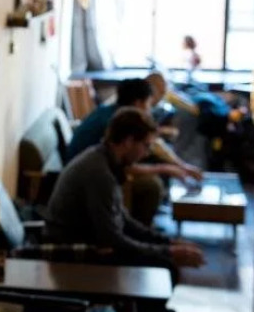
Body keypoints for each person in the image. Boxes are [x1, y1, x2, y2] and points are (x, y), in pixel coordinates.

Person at [46, 108, 205, 312]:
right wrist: (167, 251)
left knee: (164, 262)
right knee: (164, 266)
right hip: (76, 250)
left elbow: (123, 220)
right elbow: (111, 238)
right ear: (129, 141)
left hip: (93, 240)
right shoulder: (99, 172)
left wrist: (166, 242)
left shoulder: (104, 160)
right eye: (146, 145)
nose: (147, 154)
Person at [65, 78, 202, 225]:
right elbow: (123, 166)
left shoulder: (114, 112)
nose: (150, 109)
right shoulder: (115, 122)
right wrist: (166, 168)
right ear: (138, 103)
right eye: (149, 104)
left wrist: (181, 167)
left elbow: (154, 146)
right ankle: (139, 228)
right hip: (86, 179)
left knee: (155, 161)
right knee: (151, 185)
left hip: (89, 168)